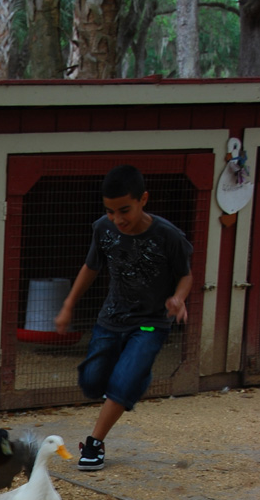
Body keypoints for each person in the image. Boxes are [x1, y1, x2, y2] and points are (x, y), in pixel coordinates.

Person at [55, 164, 193, 470]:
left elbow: (186, 276)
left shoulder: (168, 236)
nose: (118, 219)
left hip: (150, 322)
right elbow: (91, 267)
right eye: (110, 211)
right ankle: (135, 375)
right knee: (92, 383)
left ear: (144, 199)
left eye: (124, 210)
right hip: (111, 318)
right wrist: (68, 304)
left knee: (123, 383)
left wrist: (178, 298)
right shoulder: (103, 229)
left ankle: (94, 443)